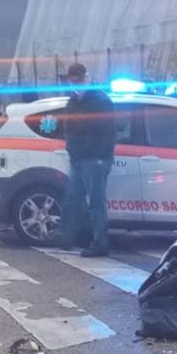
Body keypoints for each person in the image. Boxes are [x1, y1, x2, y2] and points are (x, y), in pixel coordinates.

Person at [55, 63, 117, 258]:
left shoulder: (99, 100)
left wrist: (99, 157)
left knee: (96, 204)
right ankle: (65, 237)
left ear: (86, 78)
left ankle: (100, 244)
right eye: (73, 81)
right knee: (72, 199)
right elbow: (69, 127)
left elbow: (106, 130)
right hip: (78, 158)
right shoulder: (74, 101)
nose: (76, 84)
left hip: (94, 159)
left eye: (79, 81)